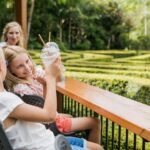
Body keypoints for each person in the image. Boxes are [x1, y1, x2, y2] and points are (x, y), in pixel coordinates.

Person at [3, 46, 103, 150]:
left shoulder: (36, 72)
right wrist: (48, 81)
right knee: (94, 122)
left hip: (48, 126)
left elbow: (59, 78)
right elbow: (47, 113)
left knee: (71, 116)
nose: (27, 67)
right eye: (20, 66)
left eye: (27, 61)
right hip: (51, 125)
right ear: (10, 70)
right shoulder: (21, 89)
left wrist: (55, 61)